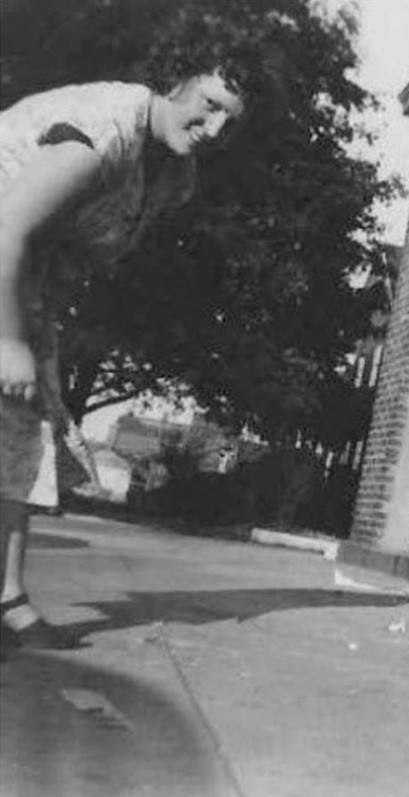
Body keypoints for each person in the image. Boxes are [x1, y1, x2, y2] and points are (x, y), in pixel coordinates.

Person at [0, 54, 249, 650]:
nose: (213, 129)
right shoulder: (102, 132)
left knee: (21, 438)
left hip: (25, 283)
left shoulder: (165, 172)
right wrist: (8, 342)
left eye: (229, 122)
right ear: (177, 83)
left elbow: (59, 245)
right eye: (209, 105)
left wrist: (36, 330)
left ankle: (7, 599)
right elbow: (7, 227)